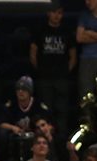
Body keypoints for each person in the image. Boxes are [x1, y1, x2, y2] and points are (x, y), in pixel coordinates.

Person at [30, 1, 76, 134]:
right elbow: (33, 53)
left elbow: (73, 55)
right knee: (46, 110)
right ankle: (46, 136)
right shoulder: (40, 30)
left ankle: (61, 137)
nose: (57, 16)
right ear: (48, 13)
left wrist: (66, 71)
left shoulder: (66, 31)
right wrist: (40, 70)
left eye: (60, 13)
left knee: (62, 110)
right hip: (45, 77)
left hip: (61, 77)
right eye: (54, 12)